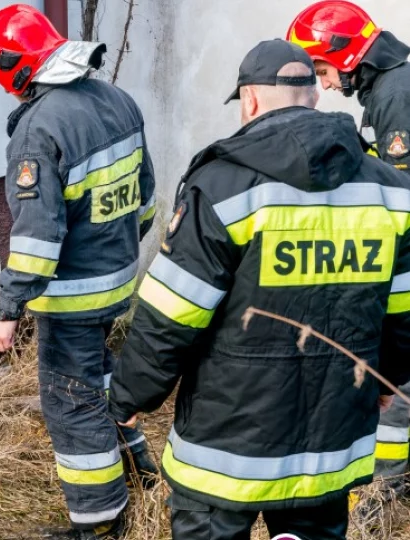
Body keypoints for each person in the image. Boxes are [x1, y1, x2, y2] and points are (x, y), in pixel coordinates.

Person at [108, 39, 410, 540]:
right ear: (315, 97)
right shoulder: (388, 190)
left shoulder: (222, 187)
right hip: (330, 450)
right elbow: (402, 314)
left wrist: (130, 396)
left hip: (224, 454)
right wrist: (383, 382)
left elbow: (171, 315)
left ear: (248, 101)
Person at [0, 5, 157, 538]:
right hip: (119, 278)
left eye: (1, 79)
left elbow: (35, 238)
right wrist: (117, 252)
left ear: (16, 68)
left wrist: (7, 310)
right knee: (101, 378)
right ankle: (139, 468)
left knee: (71, 406)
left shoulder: (38, 130)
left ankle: (99, 523)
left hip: (74, 297)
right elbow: (144, 200)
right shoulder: (116, 100)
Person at [288, 0, 410, 496]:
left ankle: (384, 491)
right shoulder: (389, 85)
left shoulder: (395, 96)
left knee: (397, 375)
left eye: (321, 69)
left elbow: (402, 194)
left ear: (345, 54)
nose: (324, 83)